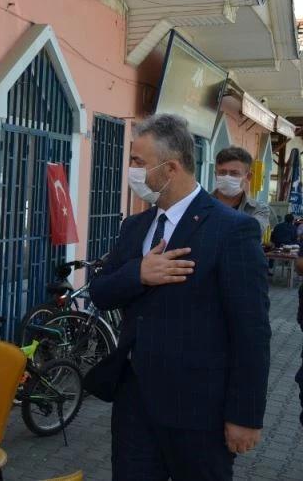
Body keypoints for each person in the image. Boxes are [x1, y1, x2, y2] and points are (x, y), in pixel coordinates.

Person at [84, 114, 271, 481]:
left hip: (199, 411)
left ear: (170, 168)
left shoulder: (232, 229)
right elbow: (101, 292)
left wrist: (245, 415)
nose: (131, 170)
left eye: (138, 161)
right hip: (135, 403)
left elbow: (251, 331)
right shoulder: (136, 226)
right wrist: (139, 274)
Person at [211, 146, 272, 236]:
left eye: (234, 173)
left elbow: (250, 234)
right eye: (222, 172)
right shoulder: (201, 203)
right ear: (216, 175)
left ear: (248, 177)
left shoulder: (259, 209)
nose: (227, 177)